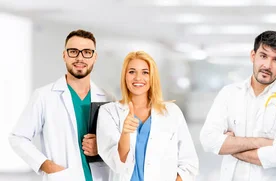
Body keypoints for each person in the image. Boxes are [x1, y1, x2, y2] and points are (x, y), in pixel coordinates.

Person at [199, 30, 276, 181]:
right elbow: (208, 140)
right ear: (253, 56)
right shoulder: (229, 94)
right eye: (263, 56)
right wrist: (260, 142)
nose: (267, 65)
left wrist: (232, 148)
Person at [9, 29, 112, 181]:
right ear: (64, 55)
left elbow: (117, 146)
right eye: (73, 51)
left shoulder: (108, 98)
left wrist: (101, 148)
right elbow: (17, 137)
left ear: (95, 57)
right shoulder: (44, 96)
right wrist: (47, 165)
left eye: (87, 52)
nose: (80, 58)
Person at [96, 51, 199, 181]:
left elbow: (189, 162)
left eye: (145, 72)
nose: (138, 78)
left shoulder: (172, 112)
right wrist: (125, 133)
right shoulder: (109, 112)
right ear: (124, 76)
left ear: (152, 77)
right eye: (132, 72)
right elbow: (117, 164)